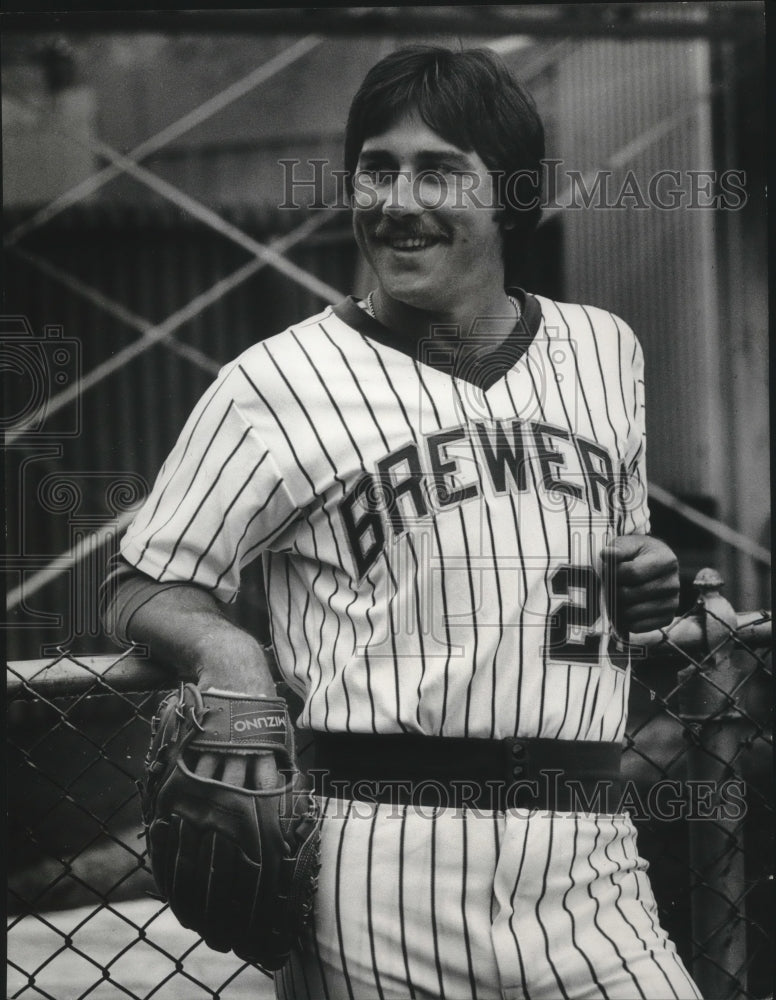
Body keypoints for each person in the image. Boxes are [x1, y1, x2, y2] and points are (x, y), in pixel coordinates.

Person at [102, 46, 700, 1000]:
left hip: (590, 850)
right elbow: (142, 580)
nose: (396, 200)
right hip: (378, 856)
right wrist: (231, 658)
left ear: (511, 196)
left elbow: (616, 556)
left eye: (437, 171)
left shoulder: (604, 350)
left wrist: (650, 572)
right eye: (377, 168)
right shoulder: (274, 384)